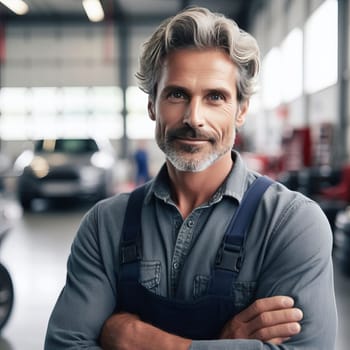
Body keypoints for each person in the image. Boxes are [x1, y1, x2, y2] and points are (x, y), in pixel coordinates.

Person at [45, 6, 337, 350]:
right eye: (177, 94)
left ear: (241, 110)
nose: (194, 118)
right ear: (153, 103)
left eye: (215, 97)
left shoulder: (290, 223)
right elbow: (66, 345)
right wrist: (222, 344)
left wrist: (146, 341)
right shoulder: (104, 225)